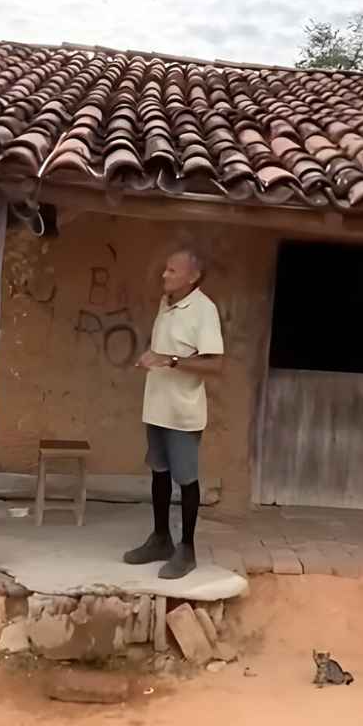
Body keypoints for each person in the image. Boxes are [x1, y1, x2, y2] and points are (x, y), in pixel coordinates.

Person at [122, 247, 225, 579]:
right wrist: (151, 356)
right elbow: (165, 350)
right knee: (159, 473)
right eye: (165, 270)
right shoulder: (165, 305)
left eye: (172, 271)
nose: (164, 276)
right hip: (157, 407)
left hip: (183, 412)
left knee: (186, 479)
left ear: (192, 277)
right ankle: (161, 538)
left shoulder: (203, 310)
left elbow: (216, 363)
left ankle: (188, 549)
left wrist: (171, 361)